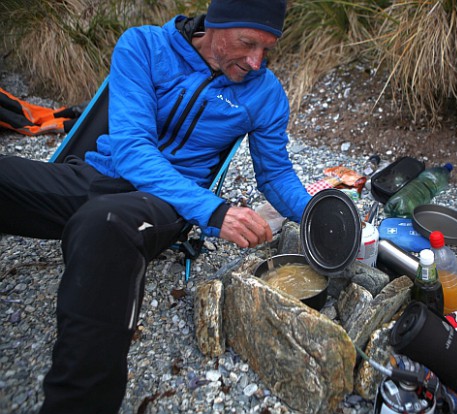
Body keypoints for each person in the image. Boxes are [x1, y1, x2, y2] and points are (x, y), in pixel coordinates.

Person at [0, 0, 311, 412]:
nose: (256, 62)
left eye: (267, 49)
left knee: (104, 224)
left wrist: (319, 212)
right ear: (216, 26)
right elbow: (131, 149)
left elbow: (275, 175)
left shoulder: (265, 92)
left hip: (165, 202)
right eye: (248, 43)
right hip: (100, 175)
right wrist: (218, 211)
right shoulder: (144, 47)